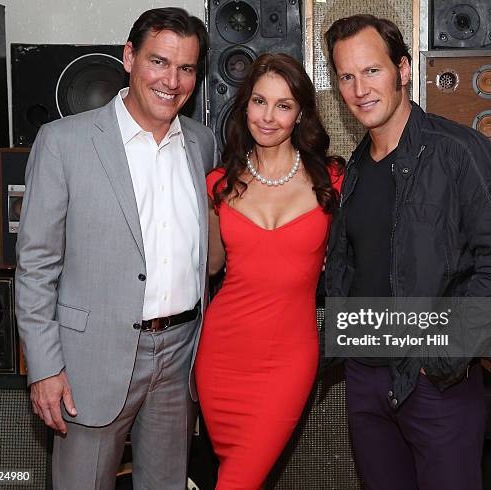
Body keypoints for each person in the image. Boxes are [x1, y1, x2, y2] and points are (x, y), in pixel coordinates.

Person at [323, 15, 491, 490]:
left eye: (371, 71)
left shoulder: (459, 151)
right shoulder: (356, 166)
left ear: (403, 69)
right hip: (366, 380)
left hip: (435, 384)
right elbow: (356, 265)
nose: (359, 89)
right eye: (346, 77)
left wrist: (439, 353)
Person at [15, 8, 216, 489]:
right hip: (90, 362)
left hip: (181, 354)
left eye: (186, 68)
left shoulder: (203, 143)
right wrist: (44, 367)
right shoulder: (64, 142)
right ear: (129, 57)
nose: (172, 80)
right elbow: (36, 265)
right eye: (159, 62)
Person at [194, 53, 344, 489]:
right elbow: (212, 266)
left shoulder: (331, 181)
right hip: (221, 355)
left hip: (288, 360)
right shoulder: (218, 184)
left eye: (283, 105)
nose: (269, 116)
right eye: (260, 101)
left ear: (300, 114)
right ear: (245, 106)